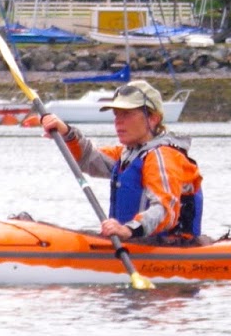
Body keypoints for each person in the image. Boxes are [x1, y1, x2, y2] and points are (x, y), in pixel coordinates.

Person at [39, 79, 202, 241]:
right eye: (116, 114)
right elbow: (88, 158)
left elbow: (165, 210)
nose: (118, 121)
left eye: (127, 114)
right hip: (133, 243)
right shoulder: (128, 153)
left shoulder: (163, 157)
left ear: (152, 118)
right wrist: (67, 133)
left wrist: (128, 230)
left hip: (166, 250)